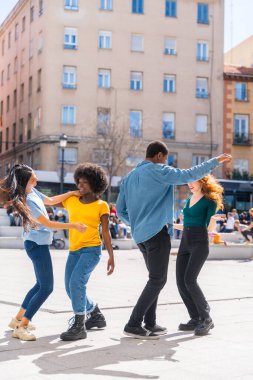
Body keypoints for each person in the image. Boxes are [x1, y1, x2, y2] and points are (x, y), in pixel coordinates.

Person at [116, 140, 232, 340]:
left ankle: (150, 323)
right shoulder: (159, 170)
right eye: (166, 159)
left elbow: (120, 210)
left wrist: (136, 223)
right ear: (160, 156)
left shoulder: (129, 177)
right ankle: (133, 323)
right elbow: (189, 174)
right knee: (157, 280)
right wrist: (214, 161)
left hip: (140, 236)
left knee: (154, 278)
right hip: (156, 233)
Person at [0, 164, 87, 341]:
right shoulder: (28, 200)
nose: (36, 180)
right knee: (47, 287)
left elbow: (52, 200)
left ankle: (17, 319)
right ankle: (21, 327)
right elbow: (48, 224)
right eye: (33, 178)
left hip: (37, 243)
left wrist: (71, 193)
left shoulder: (33, 192)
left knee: (40, 285)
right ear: (25, 182)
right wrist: (74, 226)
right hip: (36, 245)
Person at [58, 163, 115, 341]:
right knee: (70, 288)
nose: (80, 186)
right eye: (78, 182)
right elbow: (49, 201)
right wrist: (69, 193)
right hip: (74, 251)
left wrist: (111, 256)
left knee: (76, 283)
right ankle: (95, 313)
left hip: (91, 250)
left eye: (84, 183)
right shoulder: (71, 200)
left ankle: (79, 326)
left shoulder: (101, 205)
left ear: (95, 184)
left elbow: (106, 232)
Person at [174, 175, 224, 335]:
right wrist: (171, 224)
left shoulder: (210, 200)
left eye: (192, 181)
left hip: (199, 243)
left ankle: (206, 318)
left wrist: (213, 220)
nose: (189, 184)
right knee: (180, 282)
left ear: (202, 181)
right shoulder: (190, 198)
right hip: (185, 242)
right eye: (188, 181)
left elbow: (207, 227)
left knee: (190, 280)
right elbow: (188, 224)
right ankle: (195, 317)